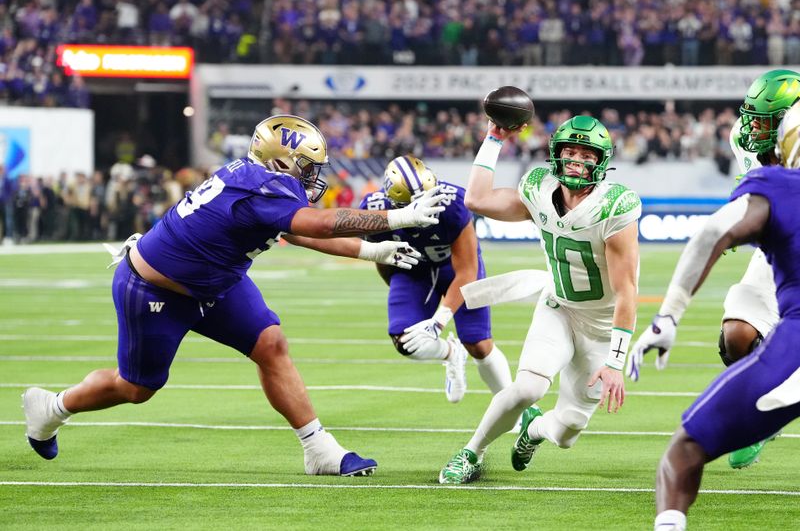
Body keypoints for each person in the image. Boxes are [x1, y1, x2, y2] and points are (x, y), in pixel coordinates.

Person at [22, 114, 446, 477]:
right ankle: (53, 407)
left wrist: (370, 248)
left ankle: (319, 449)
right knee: (137, 387)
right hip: (157, 289)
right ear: (279, 160)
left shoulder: (260, 179)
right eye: (306, 165)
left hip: (215, 281)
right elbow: (316, 225)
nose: (313, 175)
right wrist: (398, 217)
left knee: (270, 343)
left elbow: (296, 231)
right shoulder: (260, 187)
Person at [438, 115, 641, 483]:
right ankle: (472, 452)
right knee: (528, 388)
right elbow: (477, 199)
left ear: (602, 161)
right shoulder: (538, 189)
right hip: (559, 308)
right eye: (570, 151)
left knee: (567, 432)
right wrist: (494, 139)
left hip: (602, 328)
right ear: (555, 154)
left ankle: (531, 432)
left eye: (586, 153)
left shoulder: (615, 206)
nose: (577, 160)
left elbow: (627, 289)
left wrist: (615, 360)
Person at [636, 102, 800, 531]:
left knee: (685, 450)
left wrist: (668, 316)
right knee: (738, 334)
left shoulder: (779, 183)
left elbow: (712, 232)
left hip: (796, 345)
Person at [362, 155, 513, 402]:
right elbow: (383, 257)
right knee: (407, 341)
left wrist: (438, 322)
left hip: (454, 267)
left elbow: (466, 270)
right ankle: (451, 353)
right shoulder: (374, 208)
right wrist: (405, 293)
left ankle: (513, 407)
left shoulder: (453, 204)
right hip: (413, 269)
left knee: (478, 343)